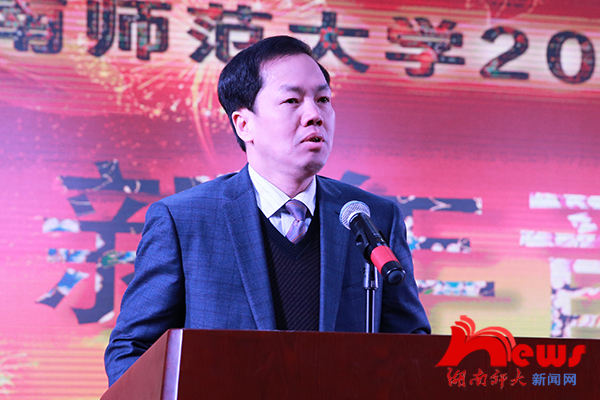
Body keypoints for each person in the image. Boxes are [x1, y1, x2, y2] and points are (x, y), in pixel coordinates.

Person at [104, 35, 430, 386]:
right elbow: (133, 348)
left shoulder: (370, 217)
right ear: (244, 124)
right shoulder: (184, 221)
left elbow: (411, 347)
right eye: (292, 100)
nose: (314, 115)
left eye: (323, 100)